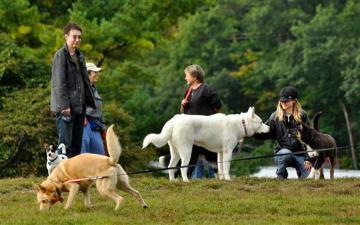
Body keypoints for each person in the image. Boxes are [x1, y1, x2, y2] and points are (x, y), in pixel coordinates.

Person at [50, 23, 96, 158]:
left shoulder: (80, 56)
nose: (77, 40)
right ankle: (61, 177)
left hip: (79, 107)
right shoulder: (60, 55)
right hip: (66, 107)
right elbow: (59, 83)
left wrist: (89, 101)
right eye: (74, 36)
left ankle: (73, 177)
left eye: (79, 37)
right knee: (65, 145)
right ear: (66, 37)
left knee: (76, 145)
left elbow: (85, 82)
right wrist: (65, 106)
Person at [253, 86, 312, 179]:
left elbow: (309, 138)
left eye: (286, 101)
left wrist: (308, 159)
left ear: (294, 101)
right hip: (282, 153)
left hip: (300, 154)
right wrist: (252, 132)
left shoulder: (303, 115)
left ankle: (300, 172)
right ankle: (281, 175)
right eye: (282, 101)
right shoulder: (274, 116)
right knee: (285, 153)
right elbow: (266, 133)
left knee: (310, 176)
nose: (283, 103)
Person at [181, 64, 222, 179]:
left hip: (204, 130)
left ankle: (210, 178)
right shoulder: (188, 91)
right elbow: (186, 112)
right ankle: (190, 179)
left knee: (205, 155)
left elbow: (217, 105)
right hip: (191, 130)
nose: (185, 78)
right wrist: (184, 105)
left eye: (187, 76)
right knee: (191, 155)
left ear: (195, 77)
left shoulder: (205, 89)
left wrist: (209, 117)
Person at [81, 62, 106, 155]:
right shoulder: (80, 88)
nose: (97, 74)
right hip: (84, 124)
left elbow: (99, 110)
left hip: (95, 125)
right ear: (87, 74)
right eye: (95, 72)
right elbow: (76, 105)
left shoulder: (94, 88)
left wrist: (103, 127)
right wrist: (81, 117)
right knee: (85, 156)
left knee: (100, 156)